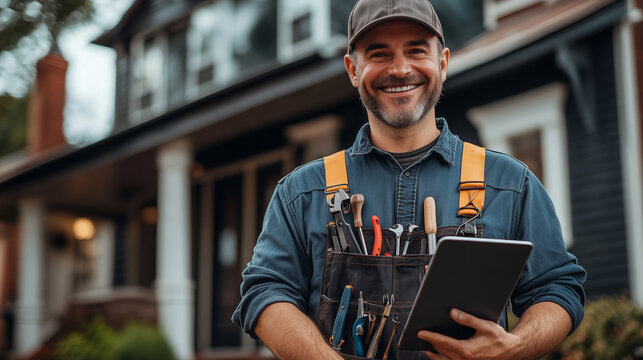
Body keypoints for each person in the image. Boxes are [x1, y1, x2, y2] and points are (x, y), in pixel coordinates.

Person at [232, 0, 586, 358]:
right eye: (379, 54)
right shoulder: (301, 193)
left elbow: (557, 289)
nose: (400, 69)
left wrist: (515, 347)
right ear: (353, 70)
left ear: (443, 63)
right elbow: (264, 292)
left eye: (416, 50)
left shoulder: (509, 184)